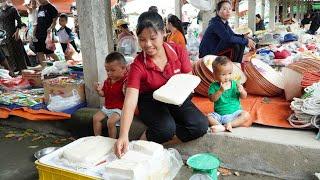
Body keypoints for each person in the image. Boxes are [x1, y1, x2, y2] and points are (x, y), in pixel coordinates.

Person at [114, 11, 208, 158]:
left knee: (200, 125)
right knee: (165, 129)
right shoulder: (138, 65)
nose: (148, 45)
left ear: (163, 32)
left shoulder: (178, 51)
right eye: (142, 39)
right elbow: (131, 99)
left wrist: (178, 95)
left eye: (152, 38)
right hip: (150, 99)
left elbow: (188, 80)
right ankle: (147, 139)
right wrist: (123, 135)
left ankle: (163, 145)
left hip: (176, 95)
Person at [207, 56, 251, 132]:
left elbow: (244, 96)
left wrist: (242, 91)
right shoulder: (213, 86)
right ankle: (221, 126)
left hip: (235, 114)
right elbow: (212, 99)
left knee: (246, 115)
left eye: (229, 73)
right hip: (219, 115)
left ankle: (229, 124)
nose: (227, 77)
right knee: (208, 117)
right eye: (223, 75)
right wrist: (220, 91)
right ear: (215, 75)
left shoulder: (235, 84)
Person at [92, 52, 127, 138]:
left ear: (123, 68)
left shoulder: (125, 81)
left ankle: (112, 141)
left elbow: (129, 98)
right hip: (107, 107)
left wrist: (125, 91)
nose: (109, 73)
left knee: (110, 122)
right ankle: (98, 139)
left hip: (119, 109)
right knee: (95, 118)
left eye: (112, 70)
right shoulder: (108, 81)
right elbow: (103, 94)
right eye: (107, 70)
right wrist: (98, 90)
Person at [0, 0, 28, 73]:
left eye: (3, 0)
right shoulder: (0, 11)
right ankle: (13, 69)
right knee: (8, 53)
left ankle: (22, 69)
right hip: (4, 35)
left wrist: (17, 31)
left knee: (18, 51)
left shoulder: (12, 9)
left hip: (13, 33)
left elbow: (19, 20)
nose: (1, 2)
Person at [34, 0, 59, 67]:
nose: (39, 1)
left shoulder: (51, 8)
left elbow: (54, 22)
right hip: (38, 33)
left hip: (47, 34)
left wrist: (50, 28)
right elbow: (37, 21)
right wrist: (34, 33)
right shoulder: (40, 7)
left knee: (50, 52)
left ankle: (60, 65)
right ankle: (44, 68)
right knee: (39, 52)